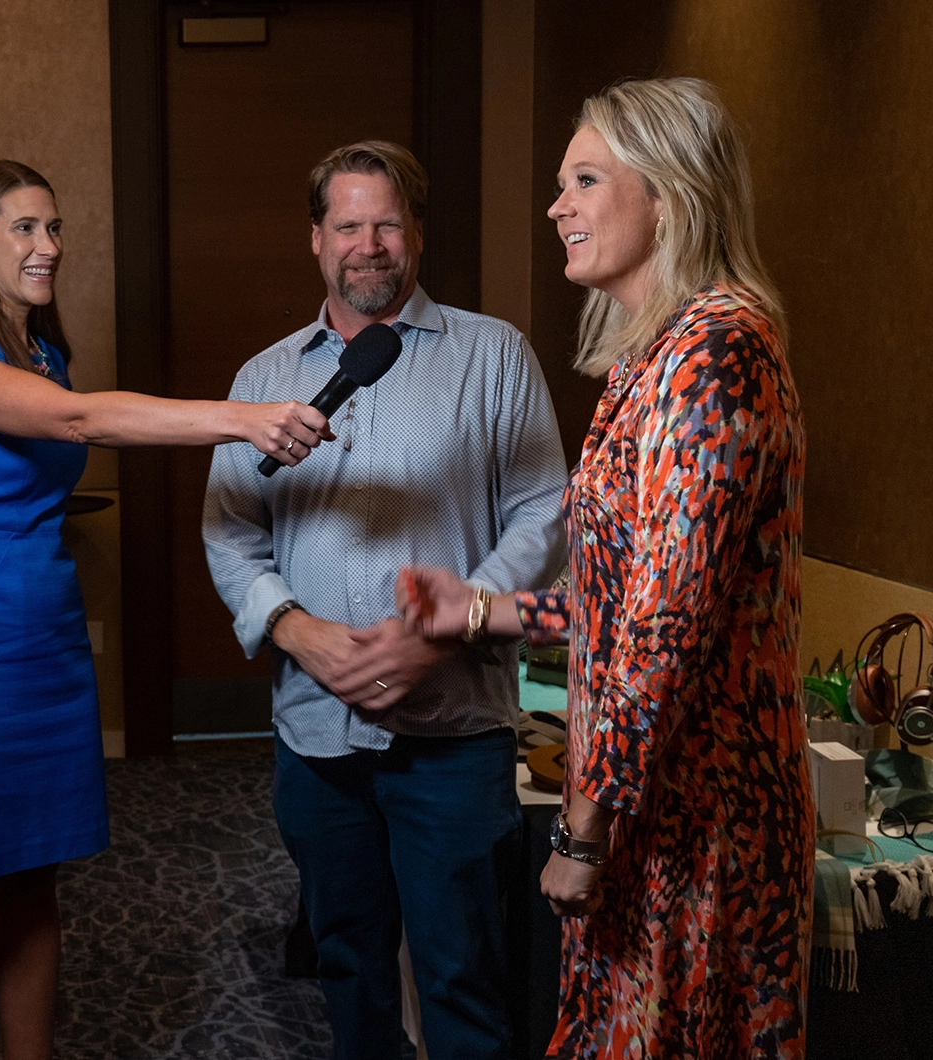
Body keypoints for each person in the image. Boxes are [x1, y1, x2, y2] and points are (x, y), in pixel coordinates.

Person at [399, 77, 809, 1058]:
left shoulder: (715, 353)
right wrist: (485, 610)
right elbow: (627, 599)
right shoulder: (653, 355)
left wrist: (585, 829)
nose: (558, 207)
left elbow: (662, 635)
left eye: (585, 180)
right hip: (648, 806)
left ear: (668, 192)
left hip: (694, 821)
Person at [0, 159, 331, 1060]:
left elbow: (69, 408)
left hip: (45, 636)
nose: (48, 247)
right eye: (23, 229)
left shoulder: (45, 354)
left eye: (54, 228)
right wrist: (245, 418)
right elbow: (78, 423)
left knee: (34, 878)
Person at [201, 140, 568, 1060]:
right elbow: (230, 534)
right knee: (348, 968)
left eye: (389, 224)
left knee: (462, 978)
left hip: (451, 736)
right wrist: (299, 631)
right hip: (315, 735)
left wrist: (452, 624)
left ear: (415, 235)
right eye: (350, 225)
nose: (370, 244)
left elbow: (543, 514)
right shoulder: (263, 382)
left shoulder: (492, 356)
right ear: (317, 240)